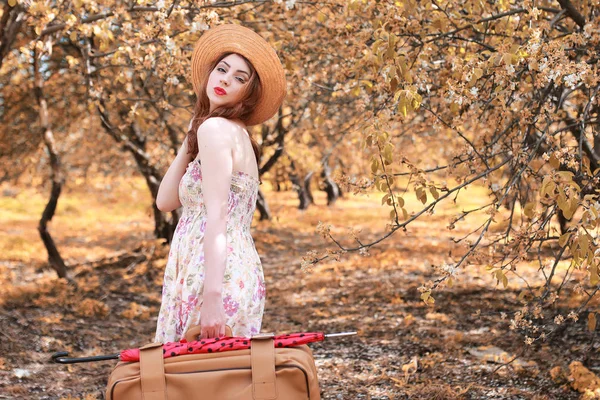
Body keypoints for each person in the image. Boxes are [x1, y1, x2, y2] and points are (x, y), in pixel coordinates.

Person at [153, 24, 286, 342]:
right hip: (233, 270)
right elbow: (165, 201)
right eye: (222, 69)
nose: (226, 79)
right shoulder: (226, 132)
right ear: (209, 74)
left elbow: (218, 217)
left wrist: (212, 298)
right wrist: (191, 134)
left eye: (240, 78)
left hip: (212, 275)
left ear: (248, 93)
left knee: (197, 382)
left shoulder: (215, 130)